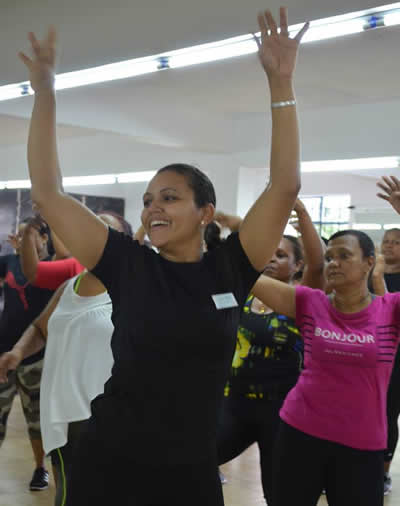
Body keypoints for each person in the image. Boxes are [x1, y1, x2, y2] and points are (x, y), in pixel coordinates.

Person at [19, 8, 308, 505]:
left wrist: (280, 83)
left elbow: (285, 185)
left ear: (205, 213)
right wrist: (45, 92)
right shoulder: (127, 263)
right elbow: (48, 193)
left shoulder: (231, 267)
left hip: (191, 470)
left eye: (170, 197)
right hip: (109, 459)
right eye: (149, 199)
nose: (153, 207)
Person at [249, 223, 400, 506]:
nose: (334, 263)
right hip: (300, 435)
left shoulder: (390, 309)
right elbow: (246, 275)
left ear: (370, 261)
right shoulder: (310, 301)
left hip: (362, 444)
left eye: (344, 255)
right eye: (330, 257)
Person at [0, 212, 131, 506]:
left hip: (110, 415)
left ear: (122, 241)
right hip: (63, 411)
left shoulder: (134, 288)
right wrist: (18, 351)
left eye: (103, 228)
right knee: (68, 493)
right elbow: (40, 327)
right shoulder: (70, 286)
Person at [216, 200, 325, 504]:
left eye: (282, 255)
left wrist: (302, 216)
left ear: (297, 265)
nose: (273, 259)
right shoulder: (242, 294)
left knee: (280, 494)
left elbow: (318, 265)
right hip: (234, 403)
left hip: (283, 411)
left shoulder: (303, 301)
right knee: (193, 464)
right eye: (270, 253)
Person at [0, 219, 53, 491]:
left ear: (44, 238)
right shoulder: (8, 262)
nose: (22, 239)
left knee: (37, 421)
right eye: (19, 235)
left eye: (29, 234)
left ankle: (40, 468)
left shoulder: (55, 267)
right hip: (3, 355)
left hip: (38, 358)